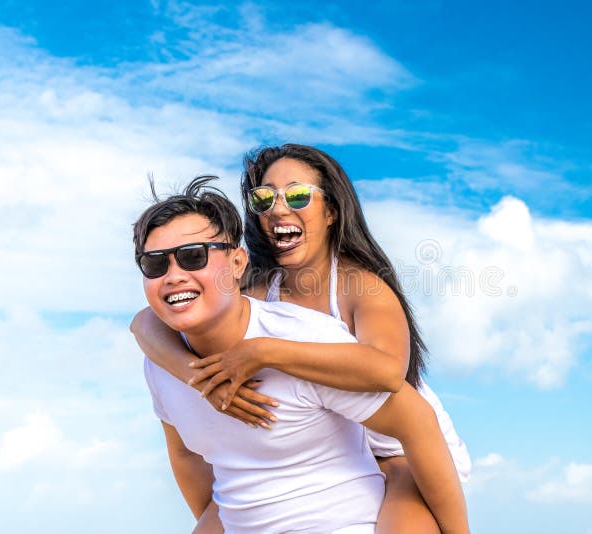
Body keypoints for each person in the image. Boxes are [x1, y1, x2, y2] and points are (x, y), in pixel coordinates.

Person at [131, 144, 471, 531]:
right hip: (329, 445)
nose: (277, 209)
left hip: (400, 450)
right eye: (263, 199)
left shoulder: (360, 286)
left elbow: (387, 371)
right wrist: (202, 378)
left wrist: (264, 352)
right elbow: (146, 323)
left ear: (331, 211)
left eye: (296, 195)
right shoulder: (258, 288)